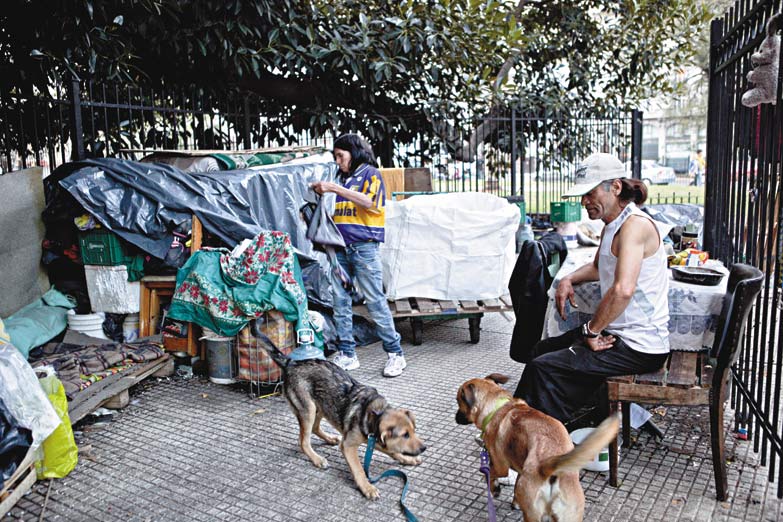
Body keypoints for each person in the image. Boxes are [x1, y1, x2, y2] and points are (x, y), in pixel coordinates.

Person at [513, 152, 670, 426]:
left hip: (639, 344)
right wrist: (568, 279)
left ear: (616, 187)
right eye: (582, 195)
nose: (584, 201)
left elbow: (622, 290)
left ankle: (541, 439)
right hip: (618, 333)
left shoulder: (634, 226)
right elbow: (598, 267)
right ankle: (542, 428)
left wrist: (591, 331)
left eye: (590, 193)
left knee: (544, 369)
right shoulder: (613, 224)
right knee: (540, 350)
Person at [310, 133, 407, 378]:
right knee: (340, 302)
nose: (338, 161)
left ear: (354, 152)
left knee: (375, 301)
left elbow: (370, 203)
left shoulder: (370, 173)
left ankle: (396, 354)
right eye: (336, 157)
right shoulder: (342, 177)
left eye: (341, 156)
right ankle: (347, 354)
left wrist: (333, 188)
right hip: (339, 249)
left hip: (364, 248)